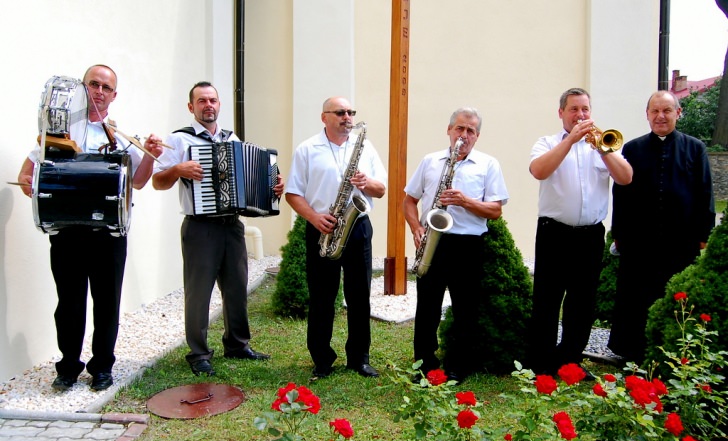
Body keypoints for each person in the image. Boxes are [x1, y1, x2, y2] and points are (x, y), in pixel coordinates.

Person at [17, 64, 163, 391]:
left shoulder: (120, 138)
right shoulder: (58, 133)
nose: (98, 91)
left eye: (105, 87)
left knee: (107, 303)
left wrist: (150, 156)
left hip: (109, 236)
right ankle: (68, 367)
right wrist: (30, 182)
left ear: (114, 95)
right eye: (92, 84)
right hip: (67, 232)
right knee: (68, 303)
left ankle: (102, 368)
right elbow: (28, 172)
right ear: (83, 89)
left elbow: (138, 182)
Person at [152, 81, 283, 376]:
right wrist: (178, 170)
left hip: (232, 226)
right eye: (201, 101)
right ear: (191, 107)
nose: (208, 105)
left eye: (212, 100)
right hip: (200, 228)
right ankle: (199, 353)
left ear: (219, 104)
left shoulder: (232, 138)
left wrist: (274, 183)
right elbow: (158, 181)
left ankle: (237, 344)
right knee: (198, 292)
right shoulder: (179, 141)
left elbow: (253, 176)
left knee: (237, 287)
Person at [527, 87, 633, 376]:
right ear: (561, 112)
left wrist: (602, 149)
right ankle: (543, 363)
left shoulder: (604, 144)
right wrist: (570, 141)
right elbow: (539, 170)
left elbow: (625, 178)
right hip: (553, 233)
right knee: (547, 299)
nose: (580, 114)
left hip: (590, 235)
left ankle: (570, 361)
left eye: (585, 109)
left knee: (582, 302)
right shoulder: (546, 142)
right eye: (574, 109)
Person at [403, 107, 509, 383]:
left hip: (469, 245)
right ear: (449, 130)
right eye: (459, 128)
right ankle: (424, 364)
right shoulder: (430, 161)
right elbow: (408, 201)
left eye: (470, 130)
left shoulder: (488, 164)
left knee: (465, 309)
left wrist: (466, 202)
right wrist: (416, 227)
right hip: (434, 242)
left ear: (477, 136)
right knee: (427, 307)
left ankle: (457, 366)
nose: (464, 135)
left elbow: (495, 210)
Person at [608, 91, 715, 363]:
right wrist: (619, 233)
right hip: (639, 240)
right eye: (655, 111)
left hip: (680, 240)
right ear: (647, 115)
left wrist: (704, 235)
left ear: (678, 113)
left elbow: (705, 192)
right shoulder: (632, 148)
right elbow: (620, 193)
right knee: (636, 298)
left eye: (667, 110)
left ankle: (674, 353)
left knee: (675, 297)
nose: (660, 116)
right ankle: (631, 353)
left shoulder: (695, 148)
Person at [285, 96, 387, 379]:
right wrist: (314, 218)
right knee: (322, 297)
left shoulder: (364, 146)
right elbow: (293, 193)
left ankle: (359, 358)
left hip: (358, 227)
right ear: (324, 117)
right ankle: (322, 358)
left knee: (359, 296)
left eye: (351, 112)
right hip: (323, 227)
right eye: (340, 112)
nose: (347, 117)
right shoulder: (307, 149)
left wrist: (367, 183)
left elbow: (381, 189)